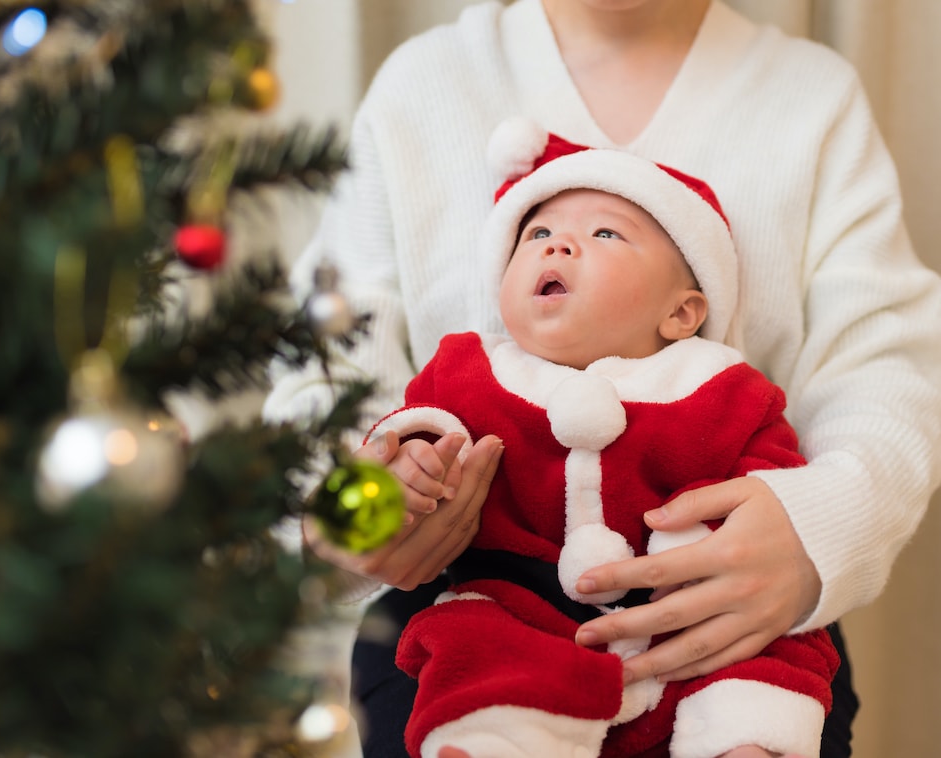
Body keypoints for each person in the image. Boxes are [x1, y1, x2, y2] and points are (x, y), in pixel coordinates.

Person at [264, 1, 941, 756]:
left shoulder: (811, 99)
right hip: (464, 615)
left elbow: (885, 359)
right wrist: (349, 512)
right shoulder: (425, 86)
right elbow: (328, 354)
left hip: (738, 609)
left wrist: (822, 527)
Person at [363, 122, 839, 758]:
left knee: (776, 645)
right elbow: (419, 423)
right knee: (470, 640)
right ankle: (495, 740)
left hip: (690, 601)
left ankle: (744, 739)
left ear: (682, 313)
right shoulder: (472, 368)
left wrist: (728, 536)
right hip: (520, 603)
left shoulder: (722, 386)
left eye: (604, 233)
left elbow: (773, 485)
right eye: (536, 235)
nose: (558, 245)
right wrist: (412, 462)